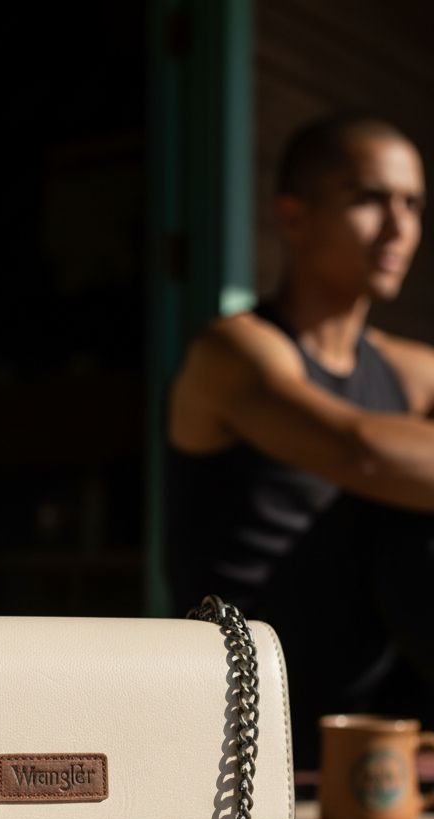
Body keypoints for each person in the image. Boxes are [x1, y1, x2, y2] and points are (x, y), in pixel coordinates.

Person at [164, 113, 434, 770]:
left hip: (378, 707)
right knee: (401, 501)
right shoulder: (235, 351)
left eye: (412, 204)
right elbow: (361, 449)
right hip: (252, 708)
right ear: (293, 216)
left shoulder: (410, 370)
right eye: (368, 200)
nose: (399, 227)